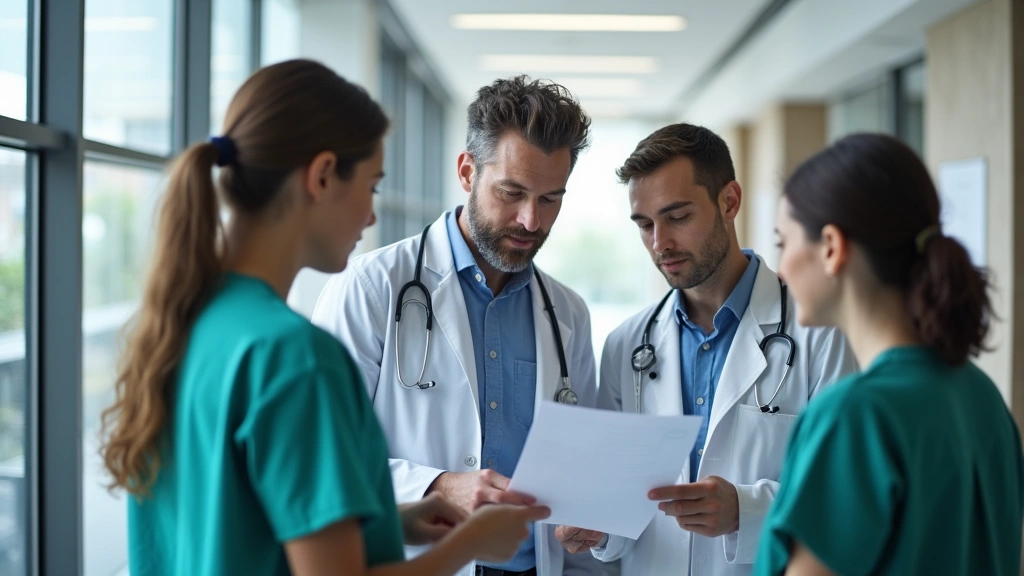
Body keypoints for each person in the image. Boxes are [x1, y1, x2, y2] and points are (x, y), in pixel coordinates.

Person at [99, 59, 549, 576]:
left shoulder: (185, 323)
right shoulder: (295, 358)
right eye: (372, 185)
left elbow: (237, 519)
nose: (372, 214)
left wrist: (392, 521)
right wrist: (469, 544)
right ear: (321, 176)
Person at [312, 76, 609, 576]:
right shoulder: (370, 287)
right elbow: (321, 458)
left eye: (551, 199)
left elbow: (583, 465)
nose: (531, 220)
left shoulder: (568, 314)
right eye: (511, 192)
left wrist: (591, 519)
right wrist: (437, 486)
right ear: (467, 171)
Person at [555, 123, 857, 576]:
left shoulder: (819, 334)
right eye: (644, 225)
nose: (660, 244)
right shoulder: (626, 346)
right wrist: (598, 528)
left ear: (729, 201)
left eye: (677, 217)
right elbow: (617, 504)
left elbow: (848, 494)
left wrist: (745, 510)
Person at [753, 133, 1024, 575]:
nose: (779, 268)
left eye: (783, 243)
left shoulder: (856, 415)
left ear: (832, 248)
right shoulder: (982, 397)